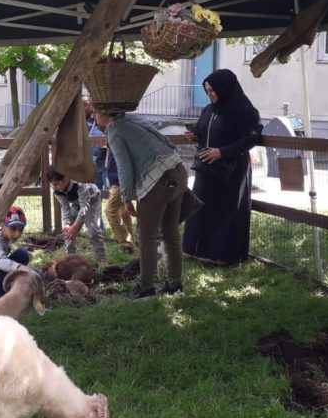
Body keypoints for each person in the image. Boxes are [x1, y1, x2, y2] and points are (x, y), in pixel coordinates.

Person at [93, 109, 188, 298]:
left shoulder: (114, 129)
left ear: (104, 113)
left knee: (146, 237)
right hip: (177, 170)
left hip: (157, 181)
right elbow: (162, 138)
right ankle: (175, 284)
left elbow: (124, 167)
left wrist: (127, 199)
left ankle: (146, 288)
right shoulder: (129, 117)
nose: (94, 118)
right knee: (171, 234)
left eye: (95, 113)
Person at [183, 68, 263, 266]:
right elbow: (207, 132)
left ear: (225, 88)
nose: (210, 95)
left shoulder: (244, 110)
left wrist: (222, 152)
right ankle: (197, 250)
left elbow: (252, 137)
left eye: (213, 90)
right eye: (207, 91)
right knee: (201, 208)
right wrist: (196, 136)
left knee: (225, 211)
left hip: (231, 169)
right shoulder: (209, 110)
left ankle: (222, 256)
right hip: (207, 167)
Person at [46, 166, 106, 263]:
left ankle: (101, 258)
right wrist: (67, 224)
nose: (55, 187)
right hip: (77, 203)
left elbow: (85, 206)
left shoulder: (80, 184)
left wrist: (75, 227)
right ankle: (70, 258)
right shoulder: (58, 192)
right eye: (53, 185)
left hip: (92, 201)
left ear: (66, 179)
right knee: (68, 231)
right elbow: (65, 208)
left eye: (56, 184)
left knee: (93, 229)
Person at [103, 148, 136, 251]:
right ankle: (131, 242)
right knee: (123, 212)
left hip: (119, 182)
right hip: (118, 180)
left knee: (110, 211)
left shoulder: (117, 139)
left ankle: (126, 242)